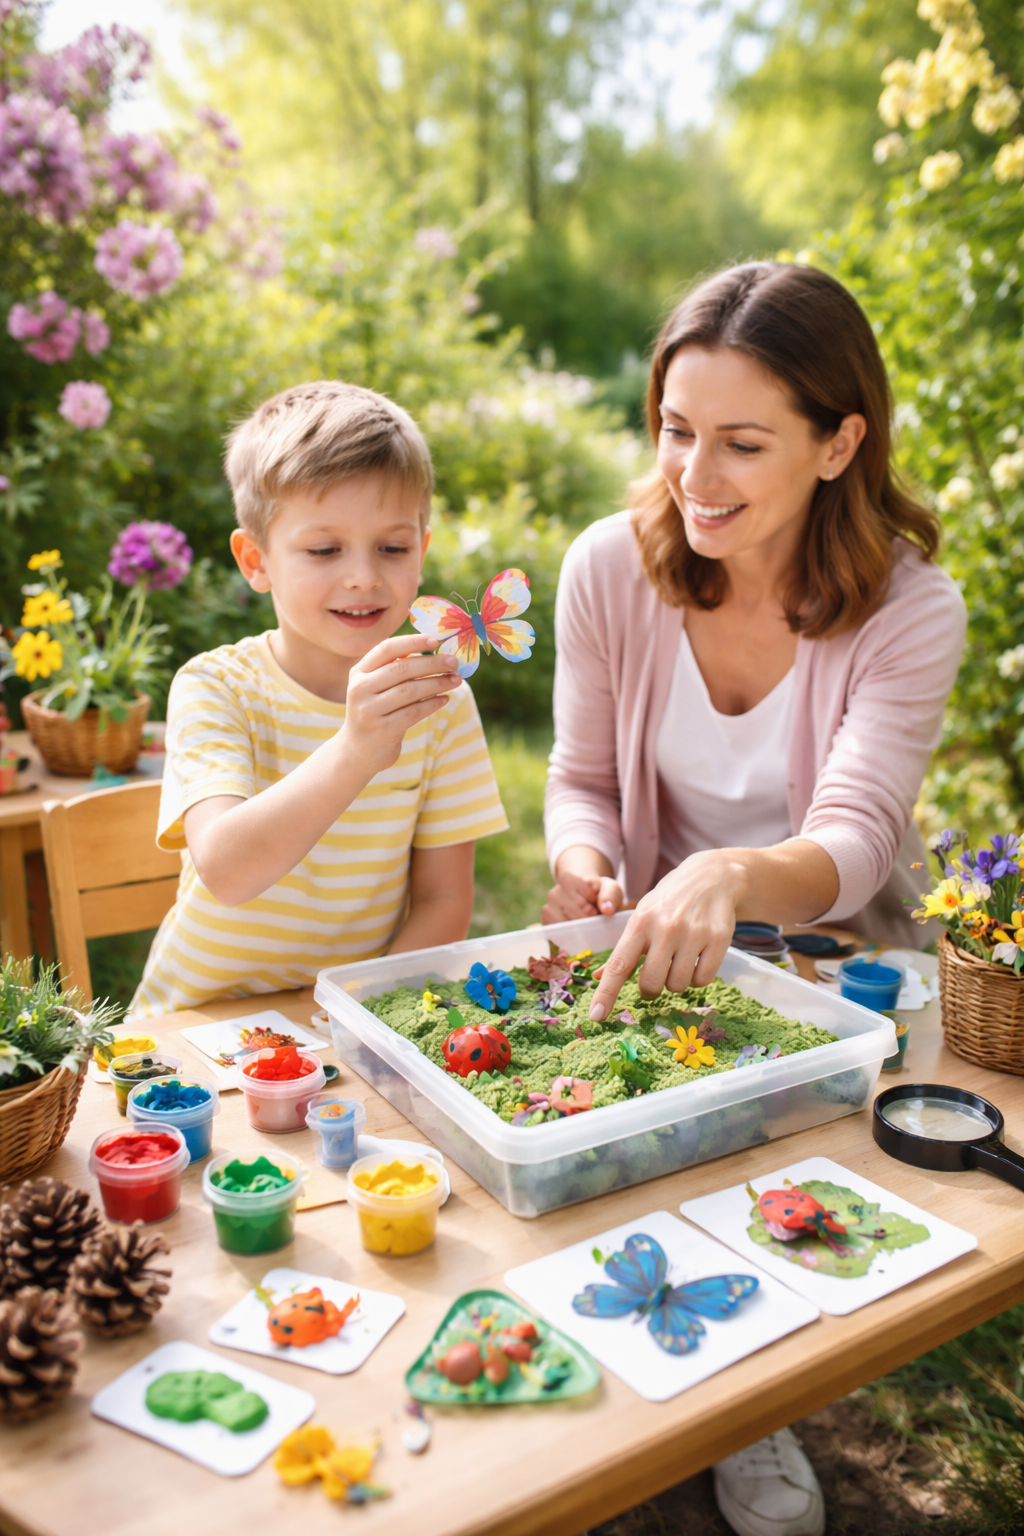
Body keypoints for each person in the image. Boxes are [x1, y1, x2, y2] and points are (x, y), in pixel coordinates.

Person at [542, 262, 966, 1536]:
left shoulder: (907, 607)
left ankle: (746, 1404)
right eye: (675, 431)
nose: (695, 476)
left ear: (840, 443)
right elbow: (574, 782)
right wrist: (584, 858)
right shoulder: (608, 571)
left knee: (764, 1174)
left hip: (831, 953)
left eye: (741, 443)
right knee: (608, 1141)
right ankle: (635, 1353)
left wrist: (723, 874)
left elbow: (854, 840)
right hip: (648, 935)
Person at [131, 380, 507, 1017]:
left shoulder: (438, 700)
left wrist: (352, 1004)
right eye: (324, 549)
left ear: (423, 548)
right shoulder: (216, 687)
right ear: (256, 560)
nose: (363, 575)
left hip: (347, 1017)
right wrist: (357, 750)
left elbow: (445, 902)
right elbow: (226, 869)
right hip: (193, 1021)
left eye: (392, 547)